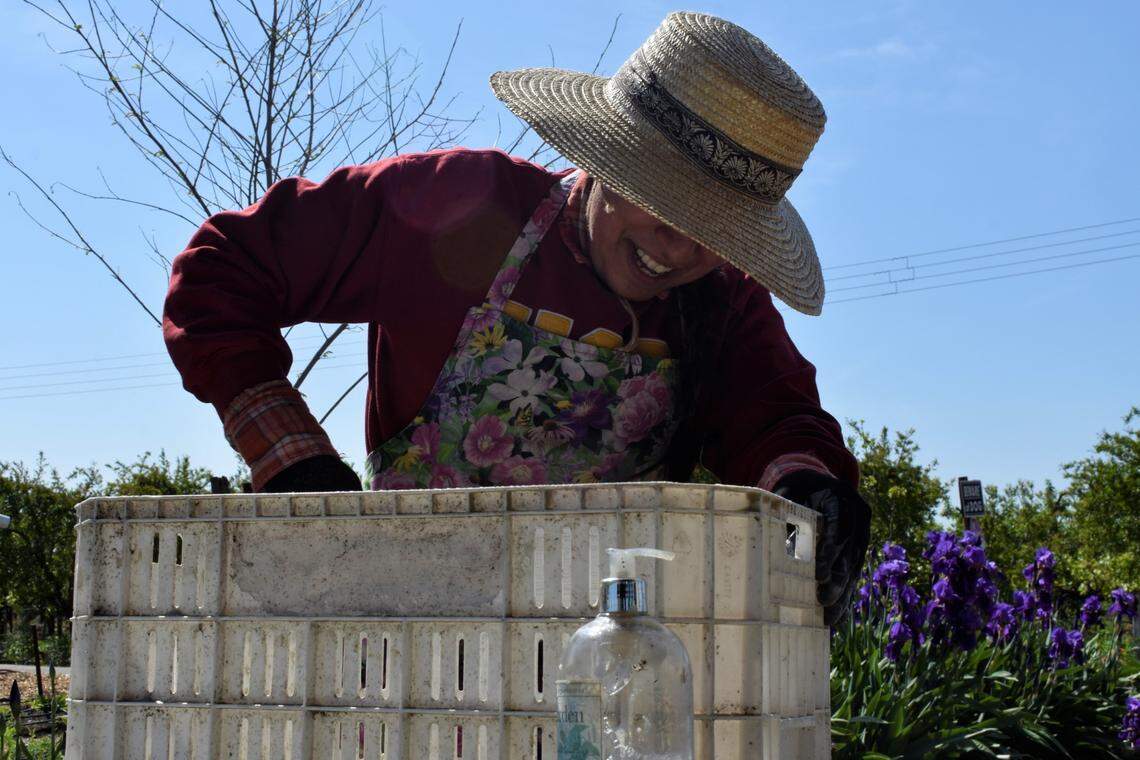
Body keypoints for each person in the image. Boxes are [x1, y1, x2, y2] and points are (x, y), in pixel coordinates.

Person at [163, 11, 870, 624]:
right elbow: (222, 269)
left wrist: (808, 487)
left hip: (612, 649)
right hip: (406, 623)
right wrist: (291, 459)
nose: (678, 247)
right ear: (605, 159)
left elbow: (776, 417)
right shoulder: (460, 204)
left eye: (714, 230)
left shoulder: (723, 301)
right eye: (666, 202)